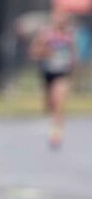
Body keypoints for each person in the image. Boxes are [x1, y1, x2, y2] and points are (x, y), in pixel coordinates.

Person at [29, 10, 76, 149]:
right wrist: (46, 52)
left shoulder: (69, 36)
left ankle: (56, 133)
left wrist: (73, 70)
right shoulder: (45, 34)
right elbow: (34, 52)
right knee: (50, 105)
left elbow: (74, 55)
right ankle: (54, 122)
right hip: (48, 71)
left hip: (62, 73)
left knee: (59, 101)